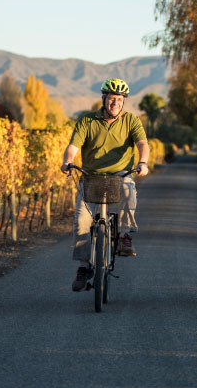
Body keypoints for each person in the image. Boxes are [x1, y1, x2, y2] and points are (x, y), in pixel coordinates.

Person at [61, 78, 149, 292]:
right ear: (104, 99)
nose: (115, 103)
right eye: (112, 99)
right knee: (81, 221)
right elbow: (73, 146)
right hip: (91, 176)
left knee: (129, 190)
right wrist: (67, 161)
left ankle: (125, 236)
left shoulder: (131, 121)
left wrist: (143, 162)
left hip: (121, 175)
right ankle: (83, 267)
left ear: (123, 101)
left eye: (119, 99)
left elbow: (142, 144)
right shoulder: (87, 121)